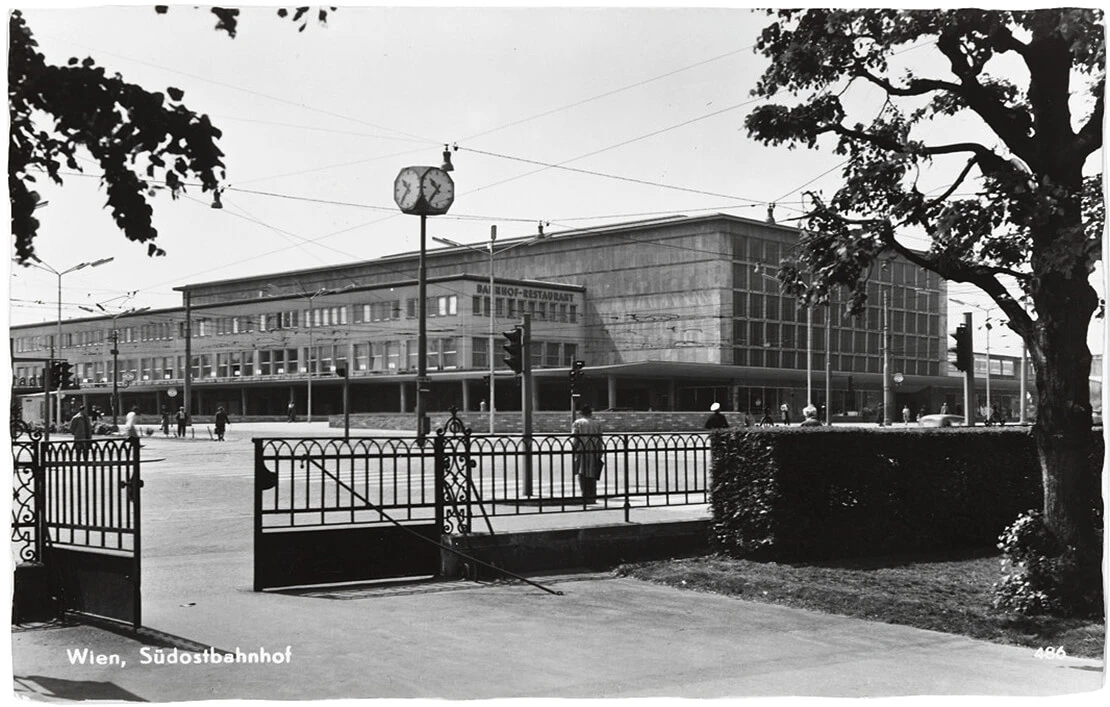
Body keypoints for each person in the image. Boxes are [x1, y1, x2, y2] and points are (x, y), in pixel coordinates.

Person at [571, 404, 604, 504]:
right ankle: (592, 495)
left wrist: (573, 449)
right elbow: (600, 439)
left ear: (581, 413)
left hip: (582, 451)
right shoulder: (597, 423)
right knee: (592, 473)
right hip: (593, 450)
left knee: (582, 473)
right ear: (590, 413)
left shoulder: (578, 423)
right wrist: (600, 451)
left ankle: (584, 495)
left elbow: (575, 438)